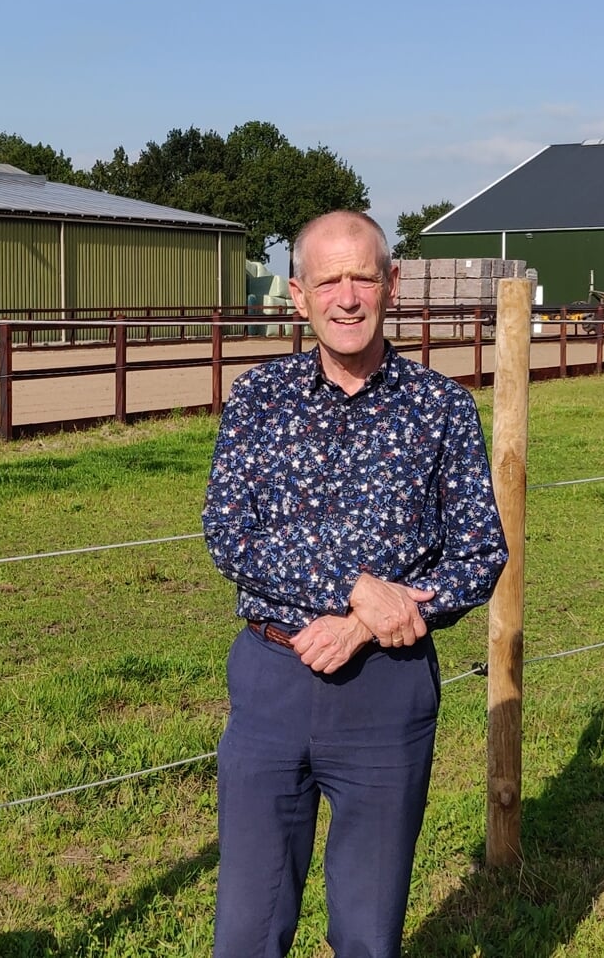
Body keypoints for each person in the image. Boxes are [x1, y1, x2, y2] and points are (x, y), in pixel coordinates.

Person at [203, 210, 507, 958]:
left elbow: (479, 554)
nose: (347, 297)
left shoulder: (441, 410)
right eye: (328, 280)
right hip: (272, 678)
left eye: (362, 277)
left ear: (391, 285)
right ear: (299, 295)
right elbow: (228, 534)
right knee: (246, 927)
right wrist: (355, 584)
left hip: (387, 688)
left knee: (369, 934)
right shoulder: (258, 399)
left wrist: (366, 622)